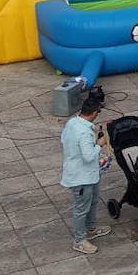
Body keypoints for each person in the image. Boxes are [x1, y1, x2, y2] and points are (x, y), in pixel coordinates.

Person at [60, 92, 110, 253]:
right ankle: (79, 240)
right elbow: (89, 156)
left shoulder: (73, 122)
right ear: (95, 113)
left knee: (93, 201)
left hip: (88, 174)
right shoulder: (85, 132)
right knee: (81, 209)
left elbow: (64, 140)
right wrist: (99, 144)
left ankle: (91, 228)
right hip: (81, 178)